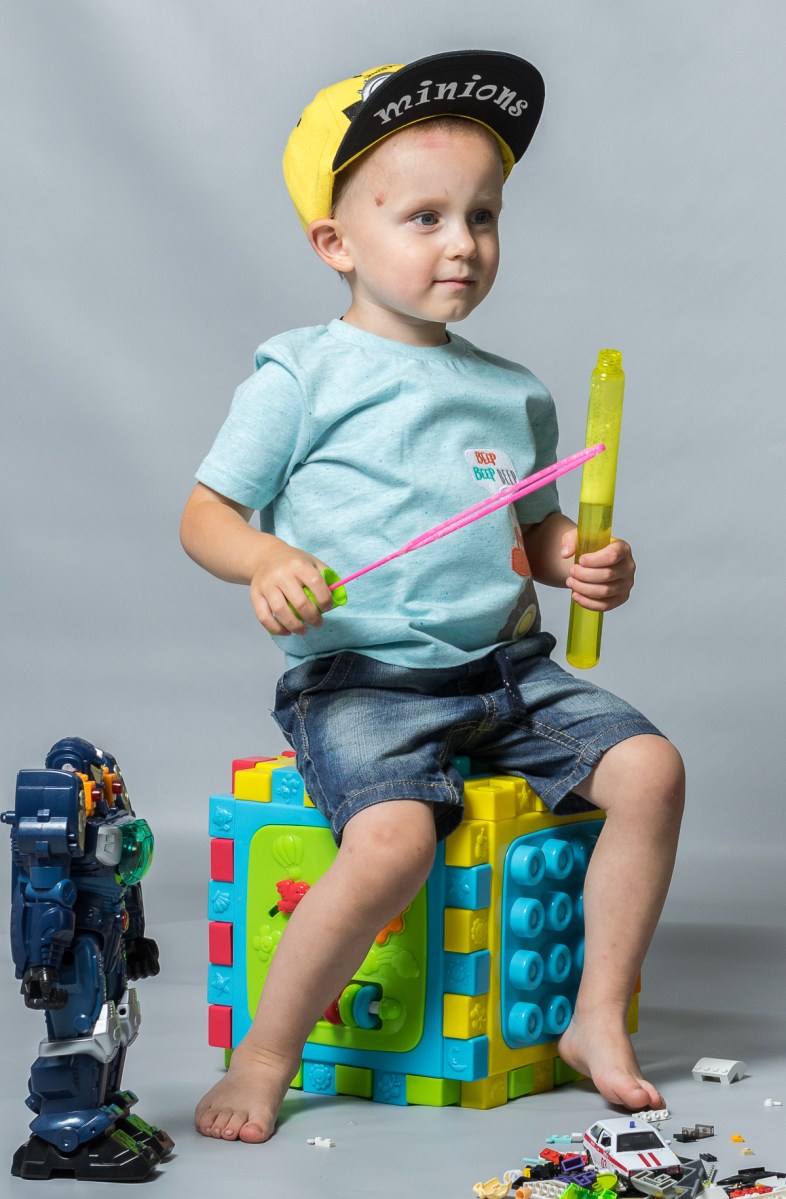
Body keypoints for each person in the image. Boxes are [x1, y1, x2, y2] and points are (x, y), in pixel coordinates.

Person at [181, 51, 685, 1144]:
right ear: (336, 242)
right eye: (425, 218)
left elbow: (529, 531)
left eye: (483, 216)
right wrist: (265, 561)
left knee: (652, 769)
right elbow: (207, 514)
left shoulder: (515, 392)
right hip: (365, 679)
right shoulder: (301, 374)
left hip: (505, 669)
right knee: (395, 842)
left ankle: (595, 1016)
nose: (464, 244)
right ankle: (266, 1052)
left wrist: (579, 558)